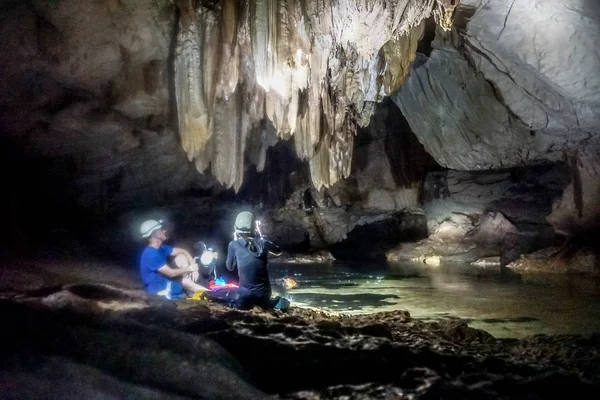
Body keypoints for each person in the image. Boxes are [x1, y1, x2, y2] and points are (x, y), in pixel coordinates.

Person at [139, 219, 215, 299]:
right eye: (161, 229)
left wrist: (193, 267)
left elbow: (183, 251)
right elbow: (171, 273)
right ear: (154, 234)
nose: (164, 231)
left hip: (163, 279)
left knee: (181, 257)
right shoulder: (150, 254)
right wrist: (190, 268)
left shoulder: (161, 248)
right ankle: (213, 296)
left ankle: (189, 288)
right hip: (158, 287)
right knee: (185, 282)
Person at [225, 211, 283, 309]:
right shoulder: (264, 242)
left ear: (236, 228)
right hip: (264, 294)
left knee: (233, 296)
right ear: (253, 228)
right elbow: (279, 251)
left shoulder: (233, 245)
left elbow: (230, 267)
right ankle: (268, 303)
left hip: (245, 295)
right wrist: (263, 239)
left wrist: (235, 242)